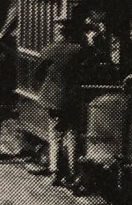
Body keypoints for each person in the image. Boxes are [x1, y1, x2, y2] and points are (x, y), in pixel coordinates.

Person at [33, 14, 94, 187]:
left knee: (54, 135)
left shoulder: (49, 50)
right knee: (72, 135)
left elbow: (37, 74)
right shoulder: (80, 51)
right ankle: (72, 172)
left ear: (58, 32)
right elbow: (89, 70)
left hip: (53, 100)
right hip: (73, 99)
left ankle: (55, 172)